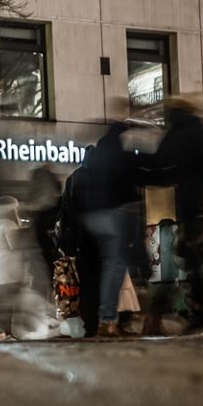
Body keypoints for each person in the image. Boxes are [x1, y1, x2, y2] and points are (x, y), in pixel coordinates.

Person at [141, 98, 203, 329]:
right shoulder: (199, 130)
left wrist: (141, 172)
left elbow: (161, 162)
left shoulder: (178, 133)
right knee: (200, 261)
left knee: (188, 258)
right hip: (199, 201)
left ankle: (172, 312)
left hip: (188, 203)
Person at [72, 122, 143, 338]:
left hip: (91, 221)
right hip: (112, 215)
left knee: (107, 268)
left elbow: (76, 201)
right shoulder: (119, 157)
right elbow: (131, 181)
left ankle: (104, 320)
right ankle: (108, 320)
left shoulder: (86, 168)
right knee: (115, 266)